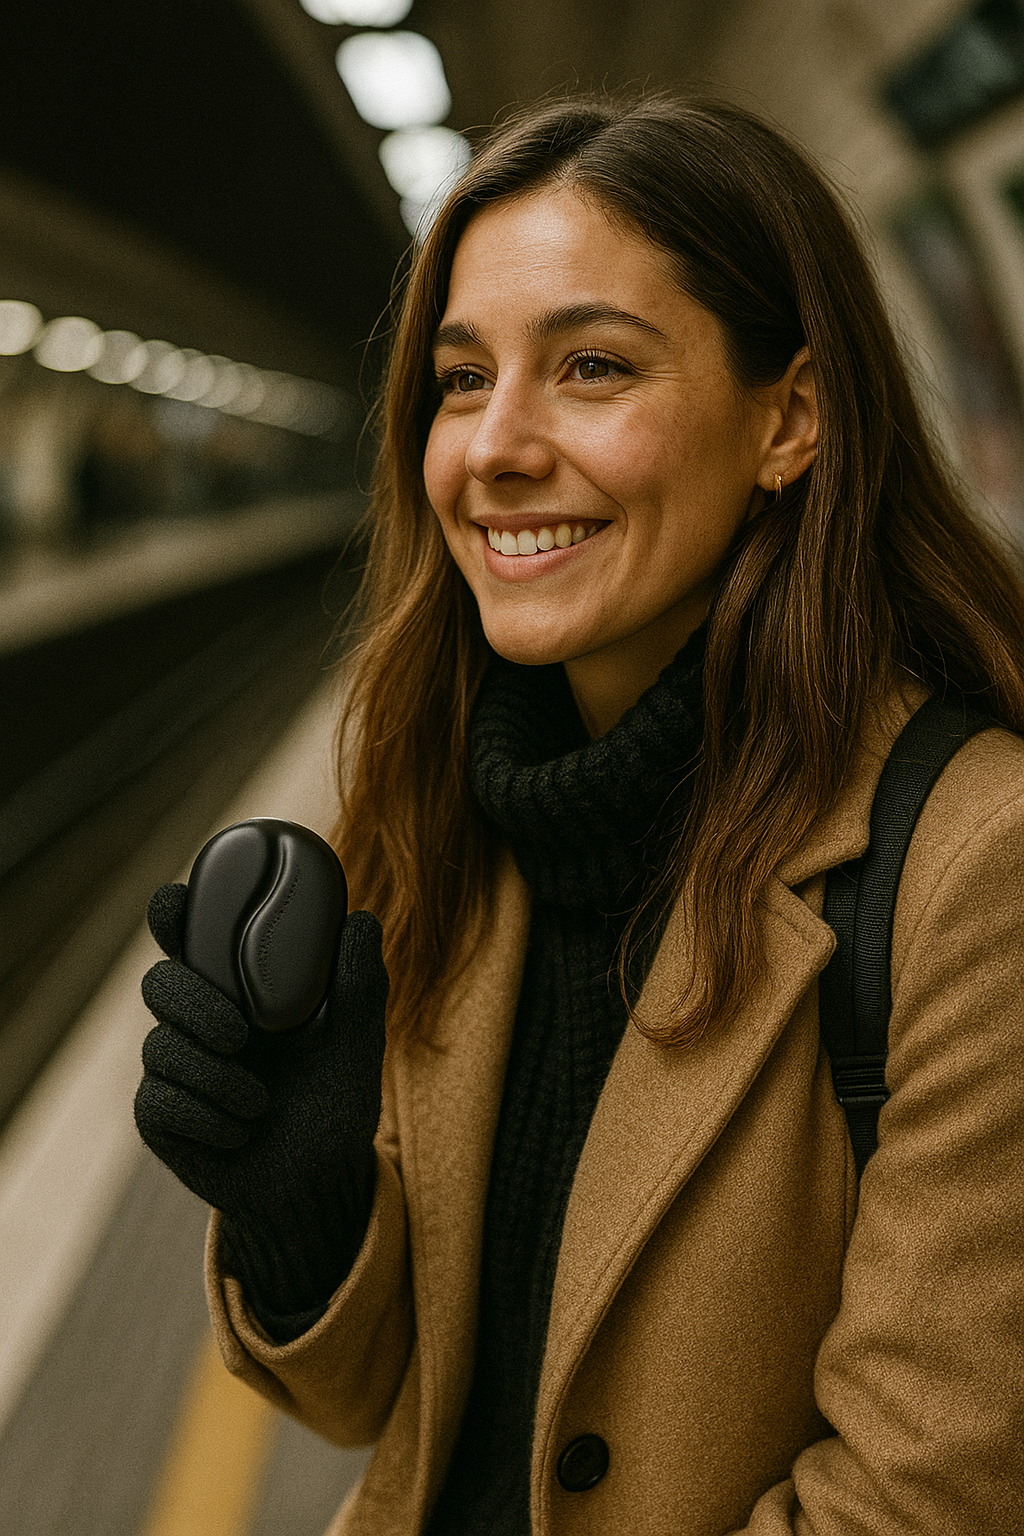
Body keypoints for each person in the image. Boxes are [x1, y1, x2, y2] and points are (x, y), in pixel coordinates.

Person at [134, 95, 1024, 1534]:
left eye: (593, 367)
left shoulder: (977, 866)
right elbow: (385, 1409)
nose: (495, 445)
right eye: (462, 376)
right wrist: (303, 1208)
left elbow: (924, 1503)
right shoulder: (458, 808)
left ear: (789, 418)